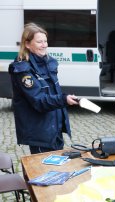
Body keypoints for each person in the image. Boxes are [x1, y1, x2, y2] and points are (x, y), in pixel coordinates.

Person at [8, 23, 79, 154]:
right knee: (43, 172)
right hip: (40, 132)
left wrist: (65, 98)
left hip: (54, 129)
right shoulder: (23, 69)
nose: (44, 45)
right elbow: (39, 101)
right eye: (39, 42)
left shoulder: (48, 62)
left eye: (45, 41)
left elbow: (52, 94)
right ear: (28, 44)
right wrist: (64, 99)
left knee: (56, 170)